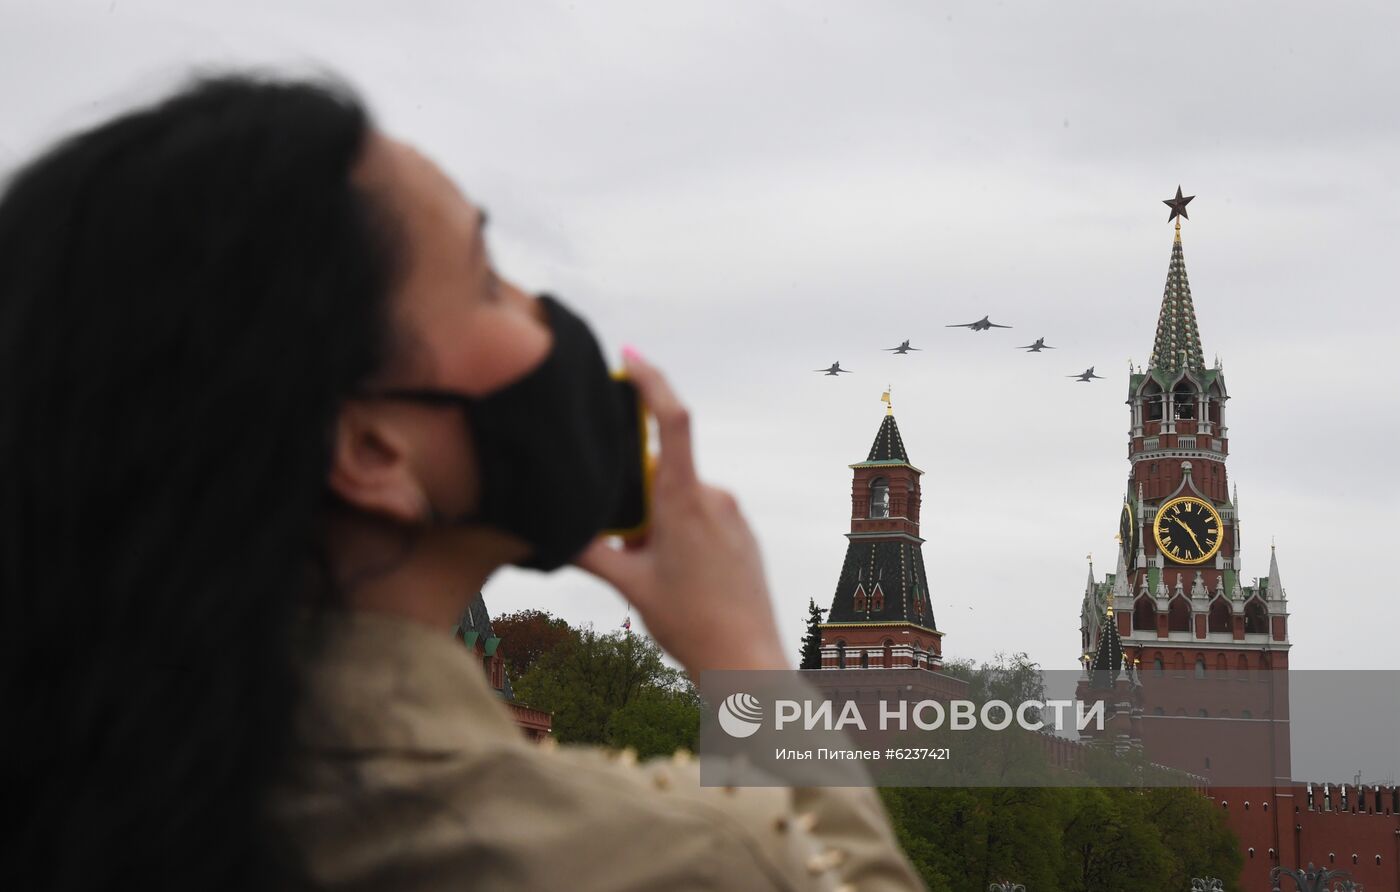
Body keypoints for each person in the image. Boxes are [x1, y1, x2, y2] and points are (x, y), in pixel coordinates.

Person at [0, 75, 923, 891]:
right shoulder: (660, 862)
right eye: (487, 281)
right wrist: (744, 656)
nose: (545, 314)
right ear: (371, 453)